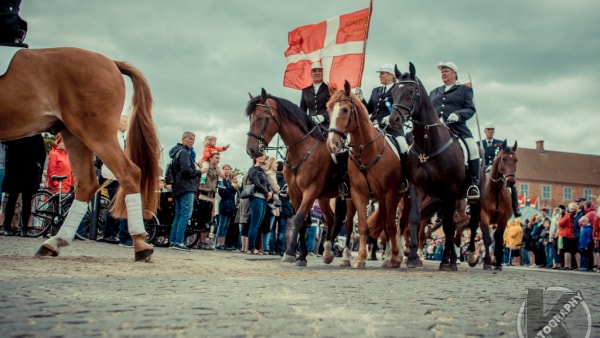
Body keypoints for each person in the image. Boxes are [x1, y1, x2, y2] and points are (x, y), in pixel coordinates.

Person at [429, 61, 480, 201]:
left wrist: (458, 114)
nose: (443, 73)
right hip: (435, 129)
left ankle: (473, 184)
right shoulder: (434, 92)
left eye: (446, 71)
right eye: (442, 71)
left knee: (473, 148)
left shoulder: (465, 90)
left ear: (454, 74)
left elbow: (470, 109)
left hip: (457, 128)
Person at [364, 63, 409, 192]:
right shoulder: (376, 90)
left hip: (393, 128)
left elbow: (400, 109)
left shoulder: (398, 89)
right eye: (380, 73)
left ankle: (404, 179)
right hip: (373, 127)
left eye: (383, 73)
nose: (380, 76)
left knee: (403, 145)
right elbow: (368, 110)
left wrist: (388, 118)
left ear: (391, 75)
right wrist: (360, 99)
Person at [1, 134, 46, 236]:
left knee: (26, 201)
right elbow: (7, 144)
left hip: (29, 170)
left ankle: (24, 228)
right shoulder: (20, 132)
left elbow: (42, 153)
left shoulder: (35, 134)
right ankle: (7, 226)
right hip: (15, 169)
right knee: (12, 199)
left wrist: (39, 169)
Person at [478, 123, 521, 216]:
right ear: (485, 131)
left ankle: (515, 207)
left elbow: (507, 154)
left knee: (511, 185)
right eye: (488, 129)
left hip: (497, 169)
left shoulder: (501, 144)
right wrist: (480, 152)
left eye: (492, 130)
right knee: (474, 184)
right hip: (483, 169)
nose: (490, 132)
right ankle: (471, 205)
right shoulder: (479, 144)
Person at [168, 131, 201, 251]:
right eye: (190, 139)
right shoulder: (184, 153)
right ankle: (179, 241)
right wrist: (199, 172)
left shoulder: (176, 152)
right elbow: (186, 170)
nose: (192, 141)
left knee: (178, 214)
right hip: (186, 186)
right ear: (183, 139)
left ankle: (173, 240)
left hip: (177, 186)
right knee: (185, 214)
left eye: (193, 139)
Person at [194, 151, 221, 250]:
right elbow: (199, 164)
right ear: (210, 158)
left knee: (208, 221)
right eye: (216, 158)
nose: (218, 160)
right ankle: (199, 241)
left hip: (212, 197)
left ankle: (204, 241)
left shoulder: (217, 169)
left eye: (218, 158)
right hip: (204, 195)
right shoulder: (205, 165)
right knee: (201, 219)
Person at [246, 154, 272, 255]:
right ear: (255, 158)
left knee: (258, 224)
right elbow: (257, 183)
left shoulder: (262, 171)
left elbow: (267, 184)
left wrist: (269, 192)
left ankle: (255, 247)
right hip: (256, 197)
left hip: (263, 199)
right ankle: (251, 247)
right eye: (260, 156)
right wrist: (267, 192)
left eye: (264, 156)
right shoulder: (253, 169)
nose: (263, 158)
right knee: (254, 224)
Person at [299, 61, 331, 131]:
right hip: (310, 126)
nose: (317, 73)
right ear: (311, 74)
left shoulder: (329, 89)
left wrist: (323, 117)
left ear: (323, 73)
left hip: (327, 126)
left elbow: (334, 107)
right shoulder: (305, 90)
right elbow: (302, 110)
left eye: (320, 71)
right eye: (314, 71)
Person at [215, 164, 237, 250]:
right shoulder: (222, 181)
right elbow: (223, 192)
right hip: (224, 205)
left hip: (230, 204)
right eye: (225, 169)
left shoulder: (229, 181)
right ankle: (219, 243)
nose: (227, 171)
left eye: (228, 169)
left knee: (226, 225)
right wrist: (232, 187)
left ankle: (222, 243)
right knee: (222, 224)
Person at [557, 202, 578, 270]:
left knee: (567, 250)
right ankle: (579, 265)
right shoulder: (576, 214)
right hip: (573, 234)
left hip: (566, 234)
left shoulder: (568, 215)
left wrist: (560, 218)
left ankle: (567, 265)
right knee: (575, 251)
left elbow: (560, 223)